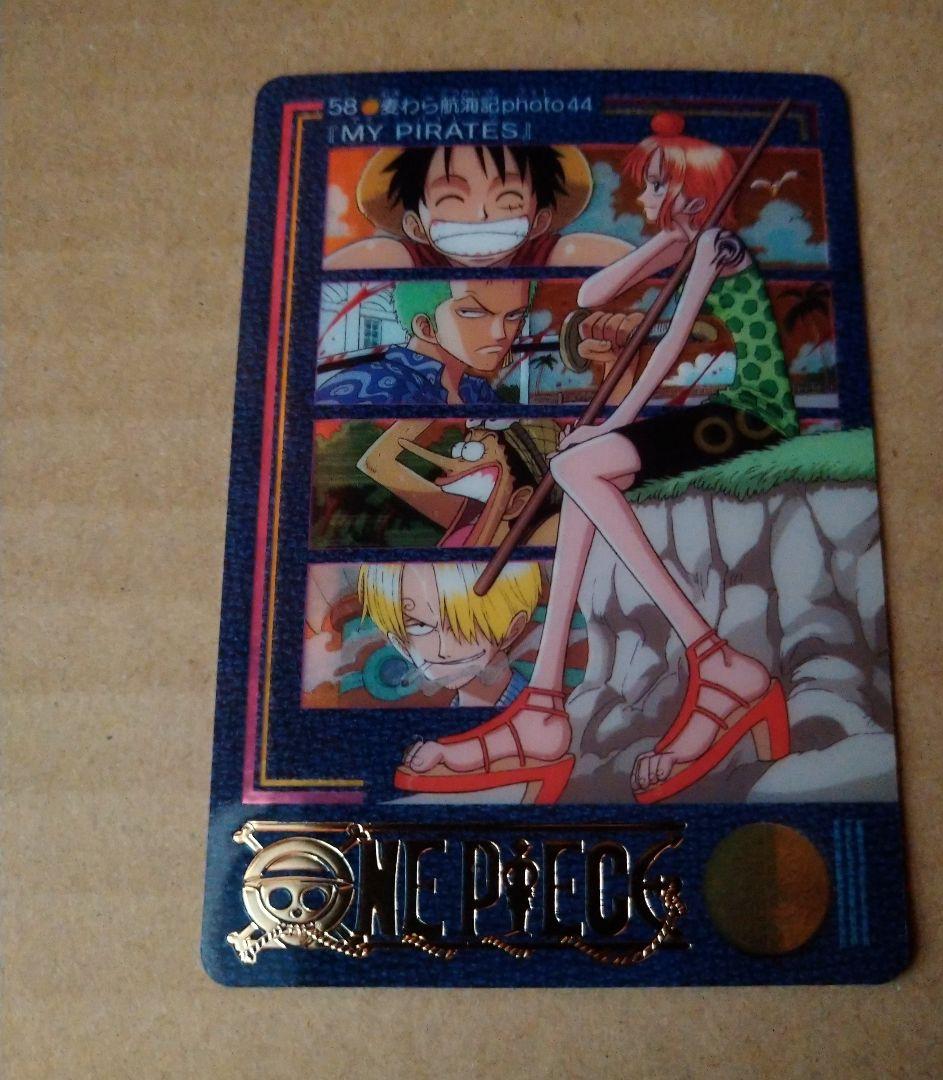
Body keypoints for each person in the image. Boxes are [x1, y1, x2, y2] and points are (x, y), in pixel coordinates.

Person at [396, 114, 797, 805]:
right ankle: (544, 707)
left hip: (758, 413)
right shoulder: (687, 240)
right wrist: (665, 240)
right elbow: (592, 295)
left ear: (695, 190)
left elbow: (669, 342)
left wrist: (616, 421)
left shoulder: (718, 247)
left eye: (657, 187)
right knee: (577, 467)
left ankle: (717, 662)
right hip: (725, 410)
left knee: (581, 463)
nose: (644, 199)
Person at [323, 145, 631, 270]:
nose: (481, 215)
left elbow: (631, 262)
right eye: (452, 200)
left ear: (539, 222)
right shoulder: (414, 258)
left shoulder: (544, 253)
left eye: (508, 199)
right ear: (416, 228)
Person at [316, 279, 532, 406]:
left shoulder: (477, 391)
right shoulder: (372, 387)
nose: (500, 333)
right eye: (472, 313)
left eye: (513, 316)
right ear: (425, 327)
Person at [357, 560, 540, 709]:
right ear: (400, 644)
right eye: (420, 625)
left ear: (513, 629)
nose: (443, 650)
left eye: (461, 624)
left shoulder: (540, 712)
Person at [357, 417, 561, 547]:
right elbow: (377, 461)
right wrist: (437, 398)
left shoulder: (544, 536)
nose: (453, 464)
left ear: (517, 502)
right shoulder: (468, 514)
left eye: (473, 452)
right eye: (461, 448)